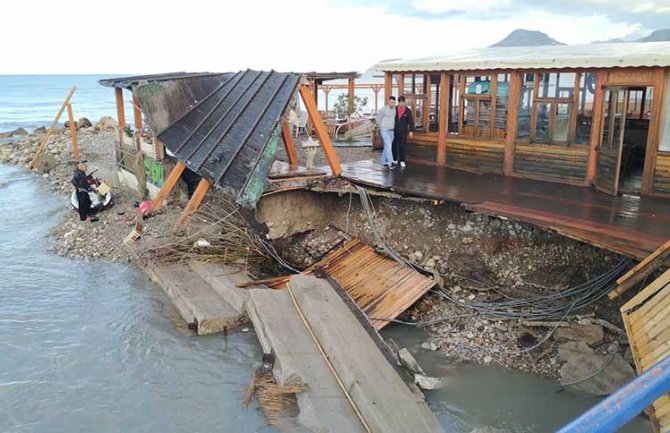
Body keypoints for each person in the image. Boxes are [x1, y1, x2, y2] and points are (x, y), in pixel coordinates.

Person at [392, 95, 414, 168]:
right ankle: (395, 159)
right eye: (401, 102)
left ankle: (402, 160)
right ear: (398, 103)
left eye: (403, 102)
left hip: (403, 132)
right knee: (394, 145)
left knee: (402, 146)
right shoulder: (394, 109)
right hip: (394, 131)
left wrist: (411, 131)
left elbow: (411, 121)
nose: (402, 104)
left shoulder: (408, 111)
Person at [376, 96, 397, 169]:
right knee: (388, 145)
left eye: (394, 103)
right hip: (384, 130)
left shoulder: (394, 109)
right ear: (388, 102)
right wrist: (381, 126)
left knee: (387, 146)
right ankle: (390, 163)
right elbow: (378, 118)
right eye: (391, 102)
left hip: (392, 131)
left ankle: (383, 161)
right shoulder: (383, 109)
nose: (393, 104)